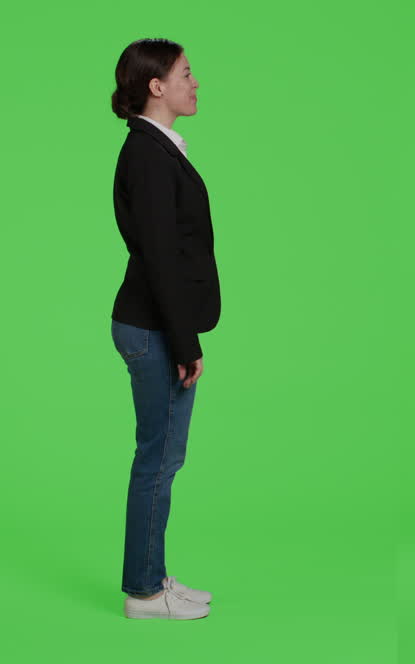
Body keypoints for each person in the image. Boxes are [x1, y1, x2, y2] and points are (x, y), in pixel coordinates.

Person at [109, 38, 221, 620]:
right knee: (158, 460)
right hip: (154, 328)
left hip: (153, 325)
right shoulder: (150, 156)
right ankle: (146, 593)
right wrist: (185, 342)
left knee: (160, 458)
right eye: (186, 73)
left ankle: (149, 578)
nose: (195, 82)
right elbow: (160, 256)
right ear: (157, 87)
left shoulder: (156, 150)